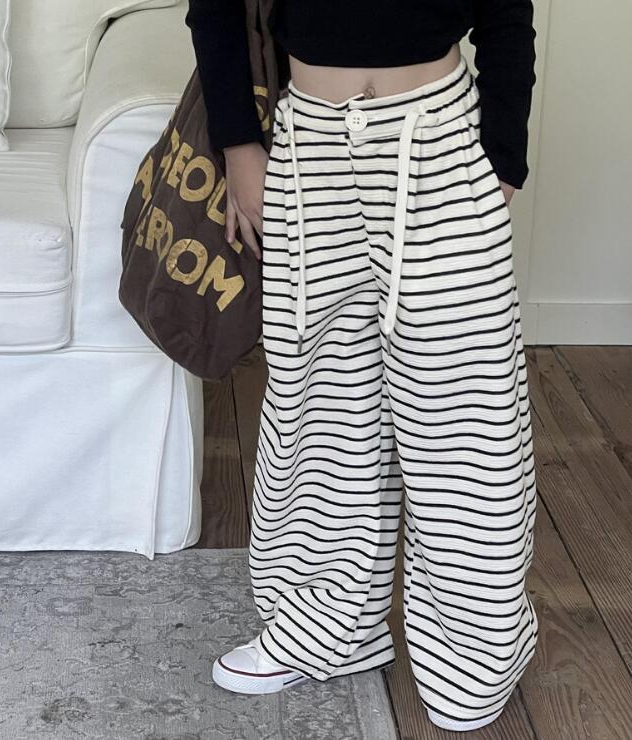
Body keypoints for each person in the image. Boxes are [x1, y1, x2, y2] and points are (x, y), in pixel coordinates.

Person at [185, 1, 539, 732]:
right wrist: (239, 146)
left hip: (439, 139)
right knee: (320, 403)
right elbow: (214, 6)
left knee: (462, 412)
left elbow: (507, 11)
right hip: (309, 145)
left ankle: (478, 652)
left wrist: (502, 154)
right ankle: (322, 625)